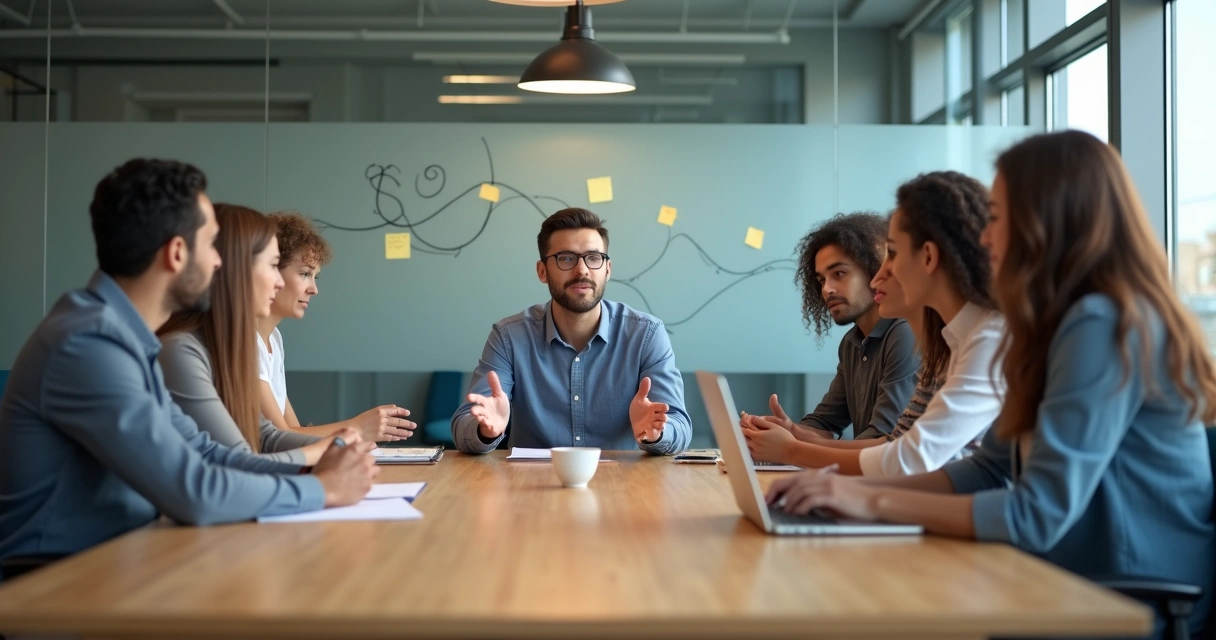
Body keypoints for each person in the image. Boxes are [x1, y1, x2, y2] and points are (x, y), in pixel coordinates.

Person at [767, 131, 1216, 637]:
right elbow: (989, 467)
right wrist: (837, 491)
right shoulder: (1052, 325)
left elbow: (1034, 514)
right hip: (1074, 573)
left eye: (997, 218)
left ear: (1048, 220)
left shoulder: (1100, 324)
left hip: (1127, 593)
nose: (984, 237)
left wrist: (869, 500)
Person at [0, 159, 377, 570]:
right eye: (210, 245)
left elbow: (210, 454)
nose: (220, 264)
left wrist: (318, 457)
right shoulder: (88, 344)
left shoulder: (124, 339)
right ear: (177, 253)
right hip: (54, 588)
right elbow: (194, 492)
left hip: (120, 564)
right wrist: (324, 490)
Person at [743, 172, 1003, 476]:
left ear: (929, 257)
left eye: (891, 254)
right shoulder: (949, 344)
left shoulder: (982, 341)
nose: (880, 275)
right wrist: (792, 437)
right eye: (821, 279)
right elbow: (898, 447)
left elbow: (905, 457)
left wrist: (792, 450)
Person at [452, 207, 691, 454]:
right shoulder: (508, 337)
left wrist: (657, 433)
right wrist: (485, 430)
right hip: (530, 487)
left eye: (594, 257)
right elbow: (464, 425)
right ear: (542, 271)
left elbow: (680, 425)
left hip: (623, 485)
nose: (582, 270)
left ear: (607, 269)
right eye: (566, 258)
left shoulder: (646, 335)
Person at [159, 203, 355, 466]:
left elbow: (265, 437)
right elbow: (242, 460)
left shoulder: (228, 343)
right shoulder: (181, 350)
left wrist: (344, 445)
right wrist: (335, 455)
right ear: (232, 269)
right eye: (273, 266)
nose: (277, 282)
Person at [742, 213, 919, 443]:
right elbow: (825, 422)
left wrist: (793, 445)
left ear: (873, 270)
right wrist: (784, 429)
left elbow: (882, 440)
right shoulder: (852, 343)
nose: (827, 289)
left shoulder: (904, 334)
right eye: (821, 280)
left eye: (839, 274)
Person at [256, 211, 415, 443]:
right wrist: (358, 427)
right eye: (304, 274)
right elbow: (280, 438)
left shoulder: (274, 339)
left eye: (315, 277)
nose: (313, 289)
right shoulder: (246, 341)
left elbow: (292, 430)